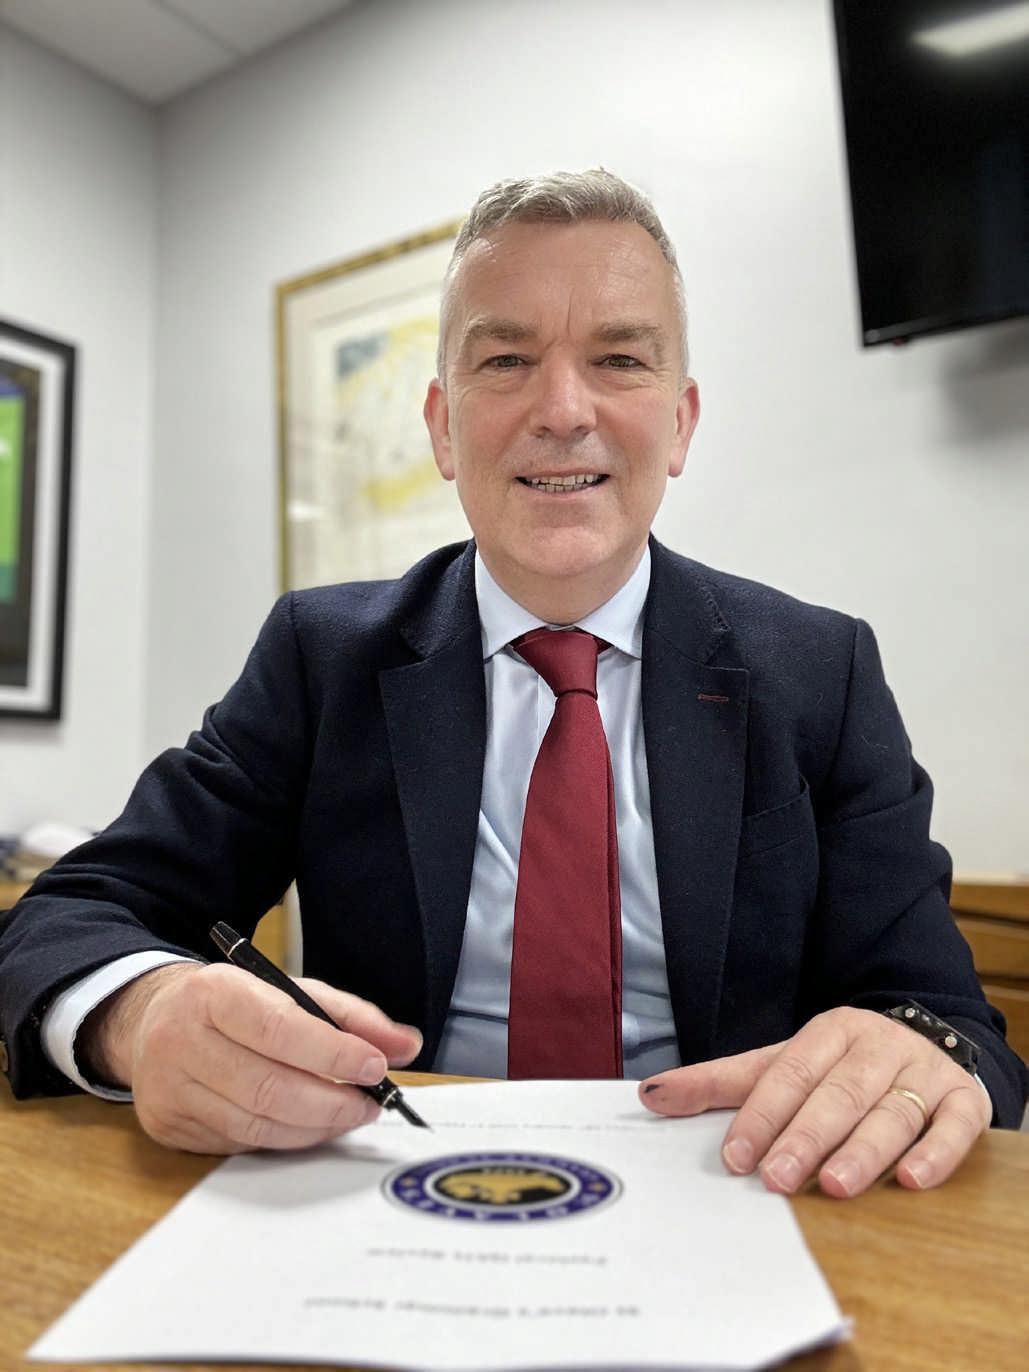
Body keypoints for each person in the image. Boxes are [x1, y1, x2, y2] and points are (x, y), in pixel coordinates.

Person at [1, 171, 1025, 1196]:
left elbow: (950, 1025)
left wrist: (910, 1054)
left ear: (680, 424)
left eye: (618, 359)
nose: (563, 411)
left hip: (736, 1184)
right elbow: (73, 913)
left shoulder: (820, 671)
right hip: (387, 1186)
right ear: (442, 427)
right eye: (506, 361)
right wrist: (143, 1014)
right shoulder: (321, 658)